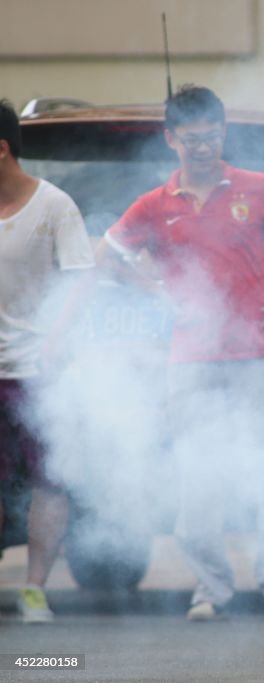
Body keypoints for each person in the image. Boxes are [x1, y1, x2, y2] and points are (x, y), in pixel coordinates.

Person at [97, 85, 264, 621]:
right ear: (171, 139)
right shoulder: (154, 205)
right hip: (191, 364)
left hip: (260, 356)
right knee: (198, 478)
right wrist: (155, 293)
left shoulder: (259, 188)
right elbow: (104, 257)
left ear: (224, 133)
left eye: (213, 135)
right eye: (192, 138)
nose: (204, 146)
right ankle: (212, 589)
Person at [0, 99, 96, 622]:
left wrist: (58, 339)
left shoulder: (54, 205)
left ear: (2, 150)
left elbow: (82, 275)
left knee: (47, 481)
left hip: (39, 371)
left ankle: (35, 589)